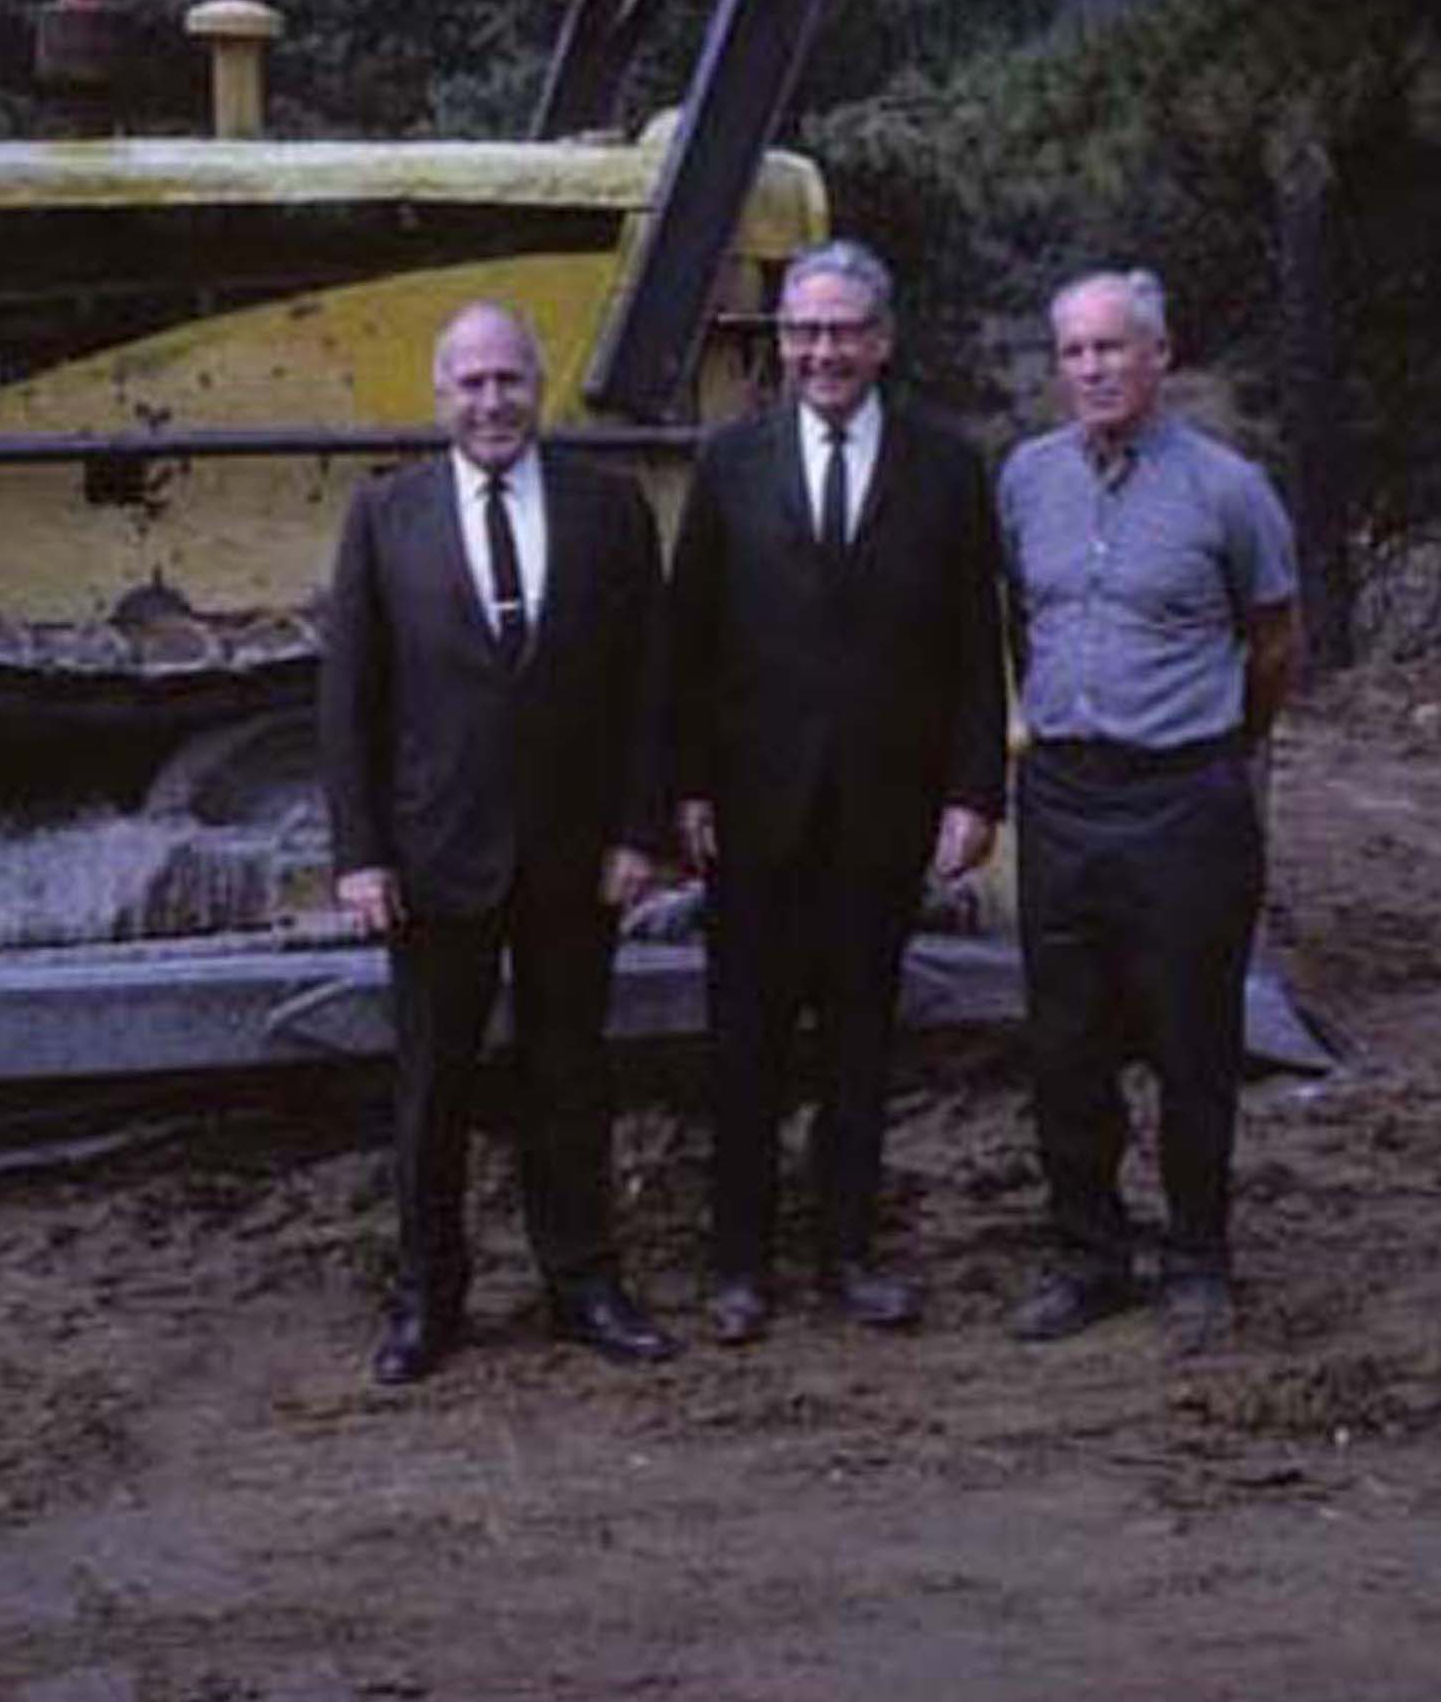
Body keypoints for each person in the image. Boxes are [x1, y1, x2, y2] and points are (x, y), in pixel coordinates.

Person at [319, 301, 680, 1386]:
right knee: (431, 1090)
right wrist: (361, 854)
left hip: (577, 860)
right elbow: (351, 702)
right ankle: (428, 1299)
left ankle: (585, 1283)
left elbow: (649, 690)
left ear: (539, 385)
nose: (491, 402)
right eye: (470, 383)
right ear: (440, 394)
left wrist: (640, 830)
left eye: (509, 380)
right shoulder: (386, 517)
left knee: (572, 1078)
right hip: (434, 862)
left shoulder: (612, 512)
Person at [664, 241, 1007, 1344]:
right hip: (753, 812)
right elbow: (690, 642)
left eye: (845, 328)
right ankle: (738, 1267)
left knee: (863, 1043)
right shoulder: (730, 463)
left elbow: (972, 643)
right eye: (804, 331)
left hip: (883, 806)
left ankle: (850, 1255)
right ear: (781, 344)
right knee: (745, 1047)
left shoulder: (951, 469)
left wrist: (974, 791)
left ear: (884, 339)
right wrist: (687, 788)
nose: (823, 349)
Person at [997, 268, 1299, 1356]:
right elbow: (1016, 616)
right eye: (1073, 352)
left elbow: (1272, 641)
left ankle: (1198, 1258)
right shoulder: (1025, 481)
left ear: (1160, 356)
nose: (1091, 370)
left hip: (1184, 797)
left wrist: (1219, 738)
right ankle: (1088, 1254)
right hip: (1064, 796)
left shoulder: (1228, 490)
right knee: (1065, 1039)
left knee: (1190, 1038)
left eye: (1113, 349)